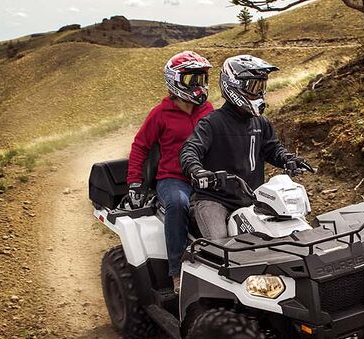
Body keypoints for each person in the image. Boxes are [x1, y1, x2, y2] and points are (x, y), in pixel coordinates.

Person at [179, 54, 312, 240]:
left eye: (261, 86)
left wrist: (289, 159)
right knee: (222, 246)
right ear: (233, 85)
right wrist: (197, 171)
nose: (259, 93)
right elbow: (190, 150)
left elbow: (273, 149)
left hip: (253, 198)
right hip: (216, 200)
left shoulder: (261, 122)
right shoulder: (211, 123)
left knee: (289, 234)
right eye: (253, 86)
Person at [125, 50, 214, 291]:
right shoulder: (159, 114)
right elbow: (140, 146)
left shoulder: (208, 109)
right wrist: (134, 182)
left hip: (205, 175)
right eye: (191, 79)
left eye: (201, 79)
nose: (198, 85)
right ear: (174, 80)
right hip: (173, 178)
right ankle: (177, 271)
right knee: (177, 204)